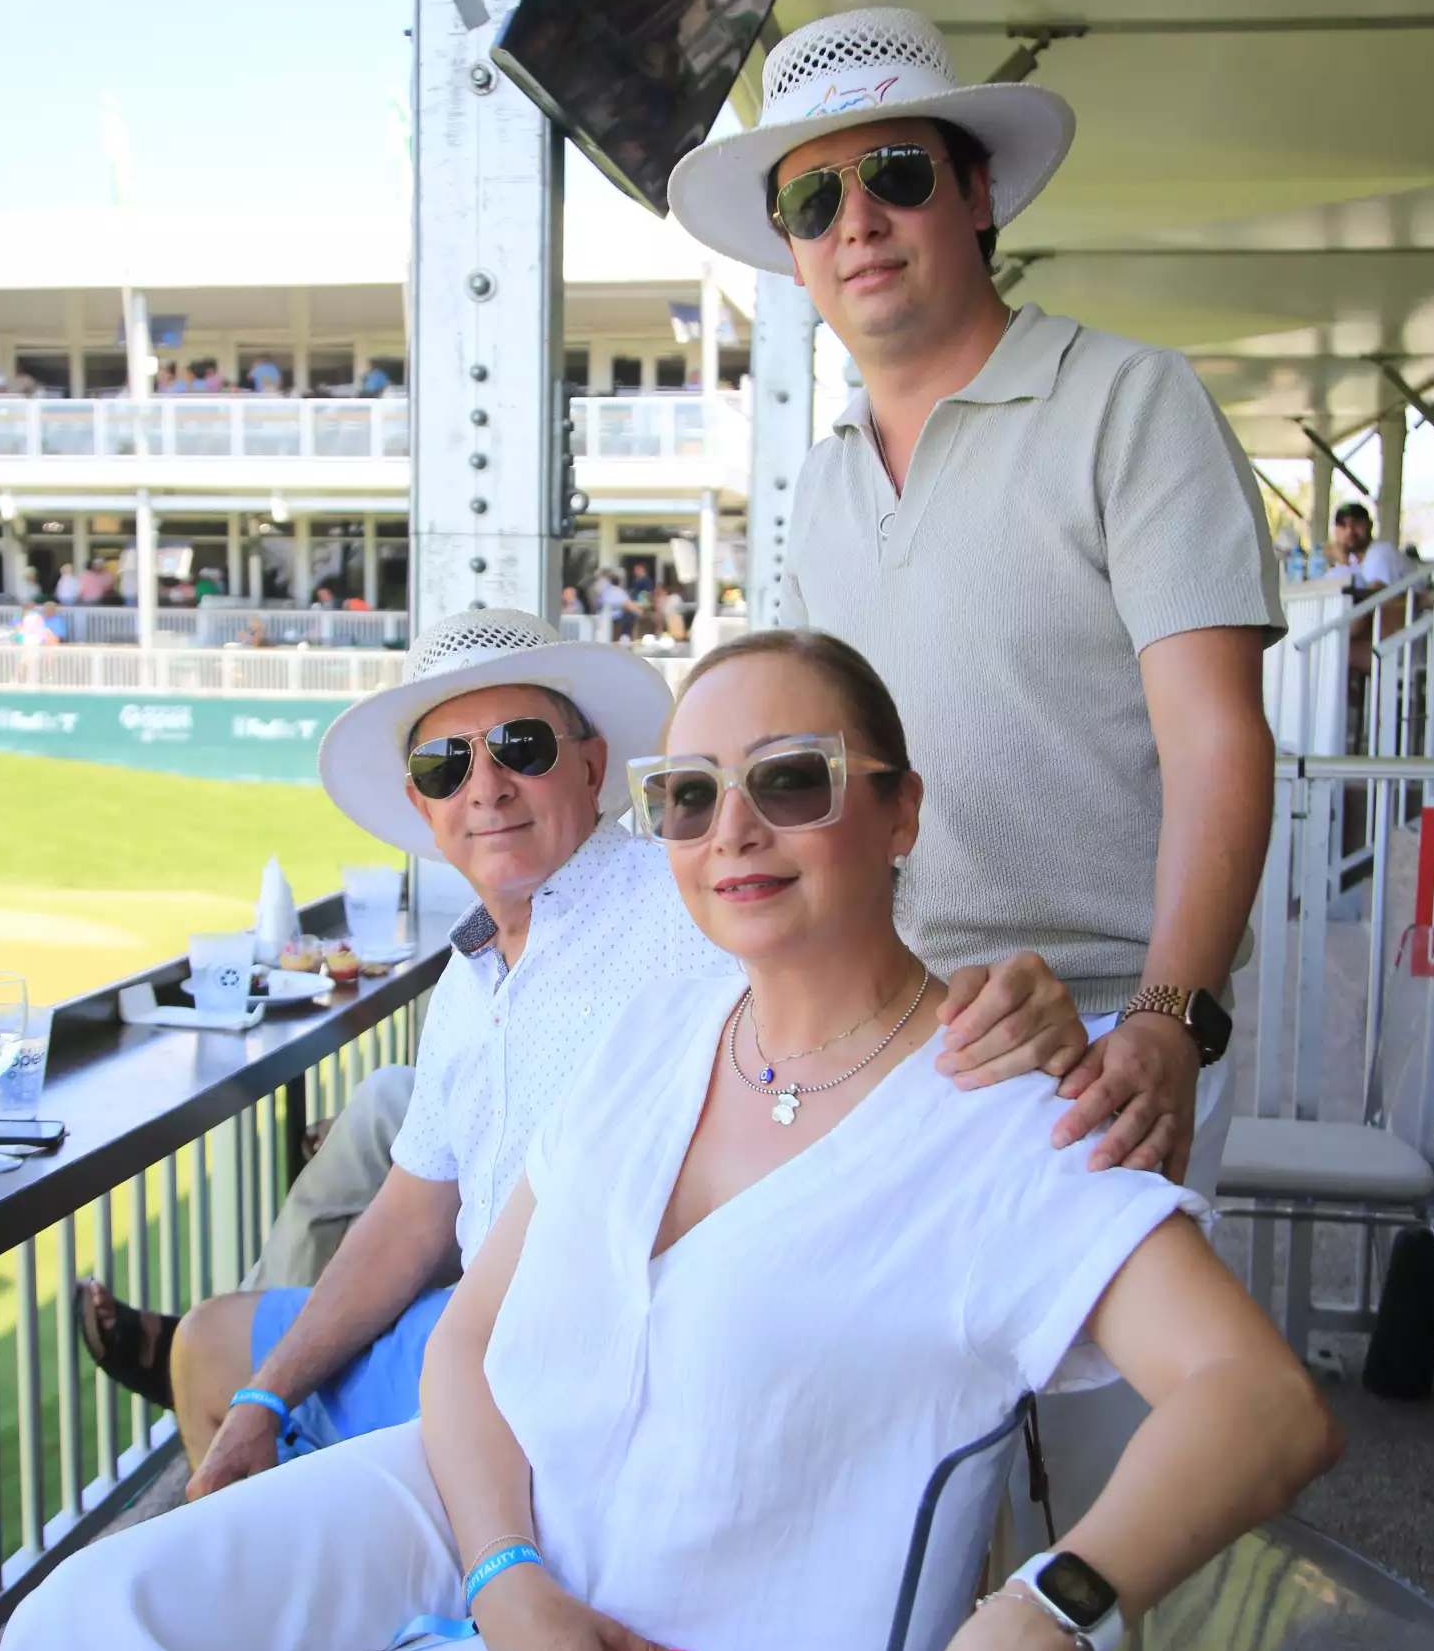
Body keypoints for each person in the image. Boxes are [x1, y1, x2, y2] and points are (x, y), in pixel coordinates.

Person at [0, 630, 1340, 1651]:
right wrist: (505, 1587)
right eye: (691, 796)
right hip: (475, 1511)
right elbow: (474, 1346)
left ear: (901, 811)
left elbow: (1260, 1405)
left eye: (791, 783)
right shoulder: (662, 1023)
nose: (732, 831)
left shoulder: (1001, 1113)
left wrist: (1025, 1634)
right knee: (82, 1643)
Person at [136, 609, 1081, 1498]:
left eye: (521, 747)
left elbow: (848, 962)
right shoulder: (469, 973)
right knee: (217, 1357)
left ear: (593, 770)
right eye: (443, 766)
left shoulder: (687, 888)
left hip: (600, 1387)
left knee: (212, 1393)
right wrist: (271, 1394)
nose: (486, 786)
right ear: (425, 809)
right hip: (475, 1344)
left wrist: (1012, 1000)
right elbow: (413, 1210)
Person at [669, 7, 1280, 1201]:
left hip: (1109, 1028)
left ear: (978, 195)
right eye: (811, 203)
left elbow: (1216, 734)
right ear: (792, 253)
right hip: (891, 1026)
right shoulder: (824, 473)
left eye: (894, 175)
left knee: (1139, 1386)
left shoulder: (1128, 401)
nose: (855, 223)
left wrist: (1169, 1018)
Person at [1326, 500, 1409, 589]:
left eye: (1356, 523)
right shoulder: (1353, 560)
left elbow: (1377, 598)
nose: (1349, 531)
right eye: (1343, 525)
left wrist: (1343, 565)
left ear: (1370, 525)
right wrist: (1343, 563)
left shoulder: (1380, 552)